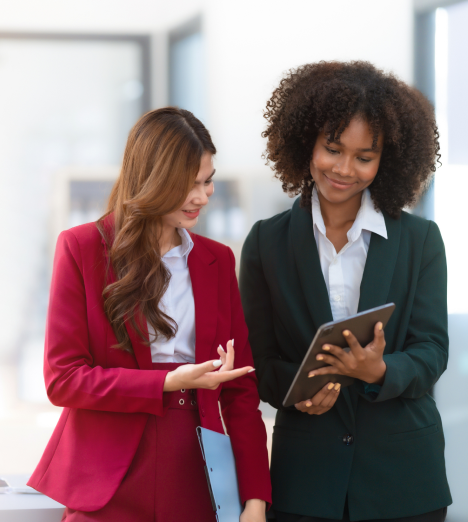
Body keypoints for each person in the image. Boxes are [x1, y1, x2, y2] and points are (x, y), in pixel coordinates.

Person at [28, 107, 271, 521]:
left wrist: (254, 500)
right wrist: (169, 380)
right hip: (106, 476)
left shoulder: (217, 260)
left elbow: (240, 391)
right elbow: (63, 379)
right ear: (151, 180)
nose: (202, 196)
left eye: (207, 181)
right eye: (187, 185)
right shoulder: (82, 249)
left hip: (196, 469)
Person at [240, 61, 450, 522]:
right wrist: (298, 391)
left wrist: (380, 371)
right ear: (306, 144)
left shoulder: (421, 240)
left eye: (364, 157)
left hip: (404, 483)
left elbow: (433, 350)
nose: (344, 169)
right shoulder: (265, 242)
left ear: (386, 159)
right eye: (333, 149)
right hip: (306, 484)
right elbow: (258, 361)